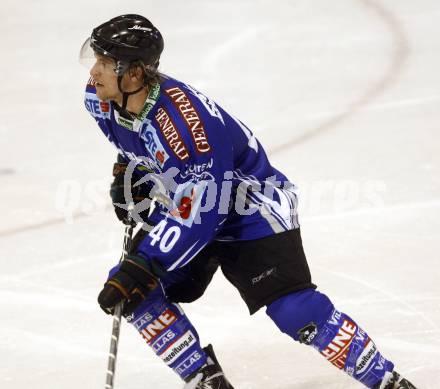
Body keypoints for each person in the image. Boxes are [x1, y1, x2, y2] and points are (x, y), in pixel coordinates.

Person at [80, 14, 417, 389]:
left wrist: (146, 262)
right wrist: (132, 173)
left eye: (105, 63)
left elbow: (203, 214)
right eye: (95, 59)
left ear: (135, 73)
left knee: (295, 311)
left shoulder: (187, 128)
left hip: (250, 208)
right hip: (194, 202)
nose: (94, 72)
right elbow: (139, 144)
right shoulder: (100, 100)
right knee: (133, 293)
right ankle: (208, 382)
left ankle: (388, 381)